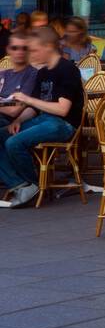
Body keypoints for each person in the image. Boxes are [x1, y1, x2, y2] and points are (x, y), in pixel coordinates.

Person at [0, 26, 85, 207]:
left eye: (34, 50)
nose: (30, 54)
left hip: (63, 124)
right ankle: (21, 185)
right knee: (3, 135)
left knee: (13, 143)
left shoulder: (67, 69)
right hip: (44, 120)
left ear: (48, 47)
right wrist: (18, 121)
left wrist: (27, 99)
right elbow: (35, 108)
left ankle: (31, 186)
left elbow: (62, 109)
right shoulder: (43, 72)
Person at [0, 31, 38, 133]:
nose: (19, 52)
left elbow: (14, 110)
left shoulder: (32, 74)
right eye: (14, 48)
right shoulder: (3, 73)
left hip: (11, 122)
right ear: (8, 50)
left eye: (24, 48)